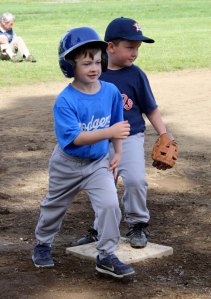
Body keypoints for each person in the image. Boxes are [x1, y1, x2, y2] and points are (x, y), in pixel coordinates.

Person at [32, 26, 135, 278]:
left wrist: (118, 153)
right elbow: (76, 138)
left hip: (98, 162)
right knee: (54, 206)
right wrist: (109, 133)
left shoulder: (110, 91)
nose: (94, 67)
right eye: (86, 63)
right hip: (67, 164)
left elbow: (118, 125)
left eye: (98, 61)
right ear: (70, 67)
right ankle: (43, 244)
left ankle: (106, 254)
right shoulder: (65, 100)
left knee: (111, 205)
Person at [76, 17, 174, 249]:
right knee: (103, 185)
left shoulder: (136, 75)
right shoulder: (94, 72)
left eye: (137, 48)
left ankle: (138, 223)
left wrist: (164, 134)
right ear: (110, 47)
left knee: (136, 180)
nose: (134, 53)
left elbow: (150, 107)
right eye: (130, 47)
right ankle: (100, 226)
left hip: (130, 137)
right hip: (100, 140)